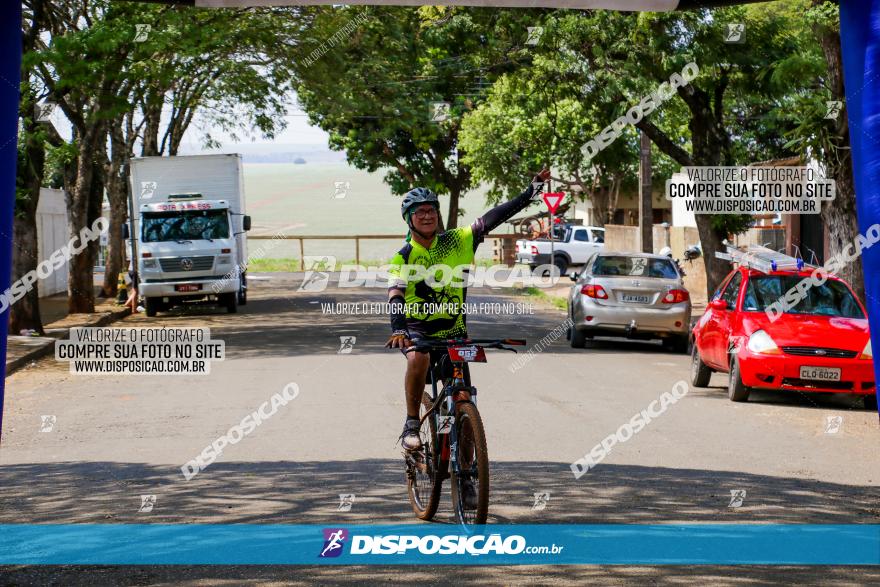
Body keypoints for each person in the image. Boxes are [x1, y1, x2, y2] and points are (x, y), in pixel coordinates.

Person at [385, 168, 551, 453]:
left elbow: (492, 217)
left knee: (464, 399)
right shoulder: (404, 257)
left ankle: (467, 473)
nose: (427, 216)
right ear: (409, 218)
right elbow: (396, 294)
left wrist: (529, 194)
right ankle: (412, 423)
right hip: (418, 330)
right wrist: (399, 329)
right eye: (420, 211)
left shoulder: (457, 241)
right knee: (418, 357)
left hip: (454, 332)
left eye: (432, 211)